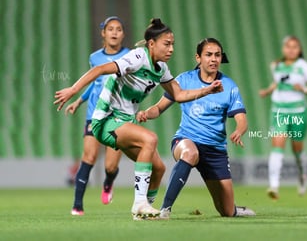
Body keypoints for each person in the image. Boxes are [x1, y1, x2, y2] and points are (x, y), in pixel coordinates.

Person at [54, 19, 223, 220]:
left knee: (159, 169)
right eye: (166, 44)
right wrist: (73, 90)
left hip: (124, 122)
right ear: (151, 44)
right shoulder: (136, 57)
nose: (171, 49)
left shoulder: (161, 69)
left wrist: (206, 90)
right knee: (150, 139)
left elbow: (178, 95)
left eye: (173, 44)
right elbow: (99, 70)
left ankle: (144, 213)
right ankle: (139, 203)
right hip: (105, 120)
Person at [137, 38, 255, 218]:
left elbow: (242, 119)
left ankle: (234, 209)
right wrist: (146, 113)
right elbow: (159, 108)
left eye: (217, 55)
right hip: (186, 140)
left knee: (227, 211)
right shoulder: (183, 80)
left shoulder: (229, 86)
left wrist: (239, 130)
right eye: (208, 55)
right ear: (198, 58)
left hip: (215, 150)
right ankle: (165, 209)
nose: (214, 59)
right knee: (190, 153)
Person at [64, 16, 129, 215]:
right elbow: (95, 82)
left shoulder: (131, 55)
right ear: (103, 33)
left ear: (123, 34)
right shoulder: (95, 58)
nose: (115, 32)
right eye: (111, 29)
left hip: (118, 116)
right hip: (95, 114)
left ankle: (108, 182)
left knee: (110, 166)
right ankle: (77, 205)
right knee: (89, 157)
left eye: (118, 29)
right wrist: (78, 100)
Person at [259, 36, 307, 200]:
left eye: (295, 47)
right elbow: (277, 83)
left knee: (296, 148)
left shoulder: (305, 67)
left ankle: (303, 176)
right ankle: (273, 185)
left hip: (298, 111)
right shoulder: (276, 65)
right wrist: (268, 90)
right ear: (283, 49)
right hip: (279, 111)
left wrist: (304, 89)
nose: (291, 50)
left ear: (299, 50)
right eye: (288, 47)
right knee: (277, 145)